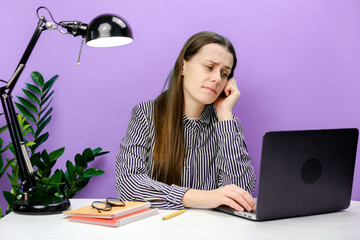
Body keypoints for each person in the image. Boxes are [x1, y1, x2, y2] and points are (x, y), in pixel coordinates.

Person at [116, 31, 256, 212]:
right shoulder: (145, 114)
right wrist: (205, 197)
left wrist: (224, 116)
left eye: (224, 73)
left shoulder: (227, 123)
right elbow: (128, 185)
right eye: (209, 67)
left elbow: (241, 195)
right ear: (183, 66)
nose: (217, 78)